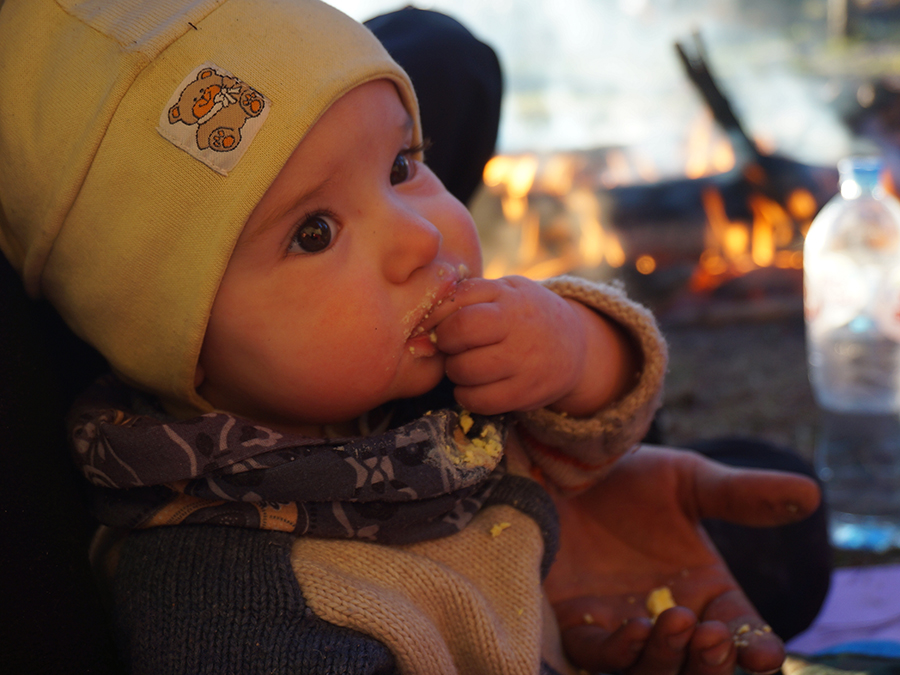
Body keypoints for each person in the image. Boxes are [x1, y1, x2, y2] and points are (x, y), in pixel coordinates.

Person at [0, 0, 820, 673]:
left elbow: (598, 431)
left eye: (401, 166)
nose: (420, 238)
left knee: (785, 507)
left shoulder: (416, 383)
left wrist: (570, 345)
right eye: (315, 232)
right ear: (180, 341)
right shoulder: (230, 591)